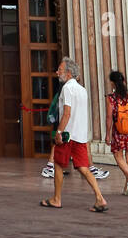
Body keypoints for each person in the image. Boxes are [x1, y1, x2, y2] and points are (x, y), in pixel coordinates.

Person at [41, 58, 107, 213]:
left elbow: (67, 113)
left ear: (68, 73)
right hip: (80, 135)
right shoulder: (82, 89)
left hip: (67, 135)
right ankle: (99, 198)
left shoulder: (67, 89)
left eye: (60, 70)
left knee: (57, 164)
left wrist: (58, 132)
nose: (57, 73)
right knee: (84, 168)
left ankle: (56, 199)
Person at [41, 81, 109, 183]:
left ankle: (52, 168)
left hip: (67, 122)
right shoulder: (66, 88)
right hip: (65, 122)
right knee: (63, 144)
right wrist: (60, 130)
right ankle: (52, 168)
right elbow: (67, 112)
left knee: (65, 146)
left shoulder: (69, 88)